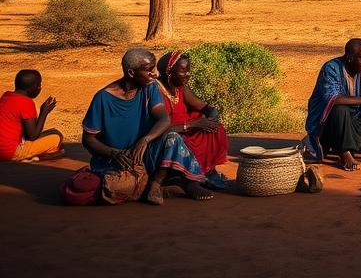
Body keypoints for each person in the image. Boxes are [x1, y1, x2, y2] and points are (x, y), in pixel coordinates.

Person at [82, 47, 211, 204]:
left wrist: (145, 139)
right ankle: (155, 187)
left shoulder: (149, 89)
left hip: (143, 153)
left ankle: (157, 184)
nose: (155, 74)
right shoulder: (103, 98)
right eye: (149, 70)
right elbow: (88, 139)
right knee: (115, 188)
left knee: (173, 138)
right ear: (131, 73)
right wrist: (114, 153)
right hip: (116, 159)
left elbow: (164, 119)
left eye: (154, 69)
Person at [302, 38, 361, 170]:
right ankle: (344, 153)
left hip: (352, 120)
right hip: (328, 124)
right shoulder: (331, 68)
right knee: (340, 108)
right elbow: (332, 99)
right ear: (350, 58)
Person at [155, 50, 230, 189]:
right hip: (169, 133)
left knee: (216, 128)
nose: (187, 75)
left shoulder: (181, 87)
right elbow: (160, 127)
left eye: (188, 71)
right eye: (183, 71)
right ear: (169, 71)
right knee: (176, 139)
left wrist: (212, 118)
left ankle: (207, 171)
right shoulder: (154, 90)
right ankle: (187, 175)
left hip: (187, 128)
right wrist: (192, 124)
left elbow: (204, 107)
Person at [0, 69, 63, 162]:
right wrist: (44, 113)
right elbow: (32, 136)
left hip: (5, 147)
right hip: (10, 152)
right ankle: (31, 157)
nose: (40, 88)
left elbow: (26, 132)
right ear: (32, 88)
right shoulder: (26, 102)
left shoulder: (6, 96)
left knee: (54, 132)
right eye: (39, 85)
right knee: (57, 138)